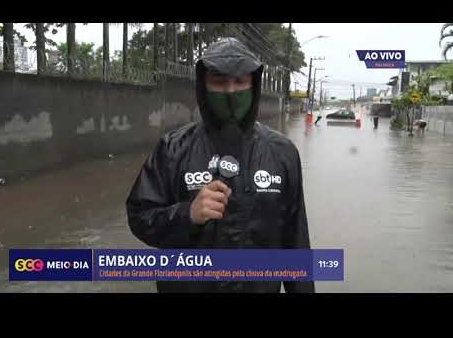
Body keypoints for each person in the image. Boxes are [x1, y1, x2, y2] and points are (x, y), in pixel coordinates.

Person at [126, 37, 314, 293]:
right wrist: (187, 214)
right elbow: (140, 218)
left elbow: (296, 243)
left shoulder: (282, 153)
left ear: (253, 84)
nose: (230, 91)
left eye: (239, 81)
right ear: (203, 85)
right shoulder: (173, 148)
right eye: (219, 81)